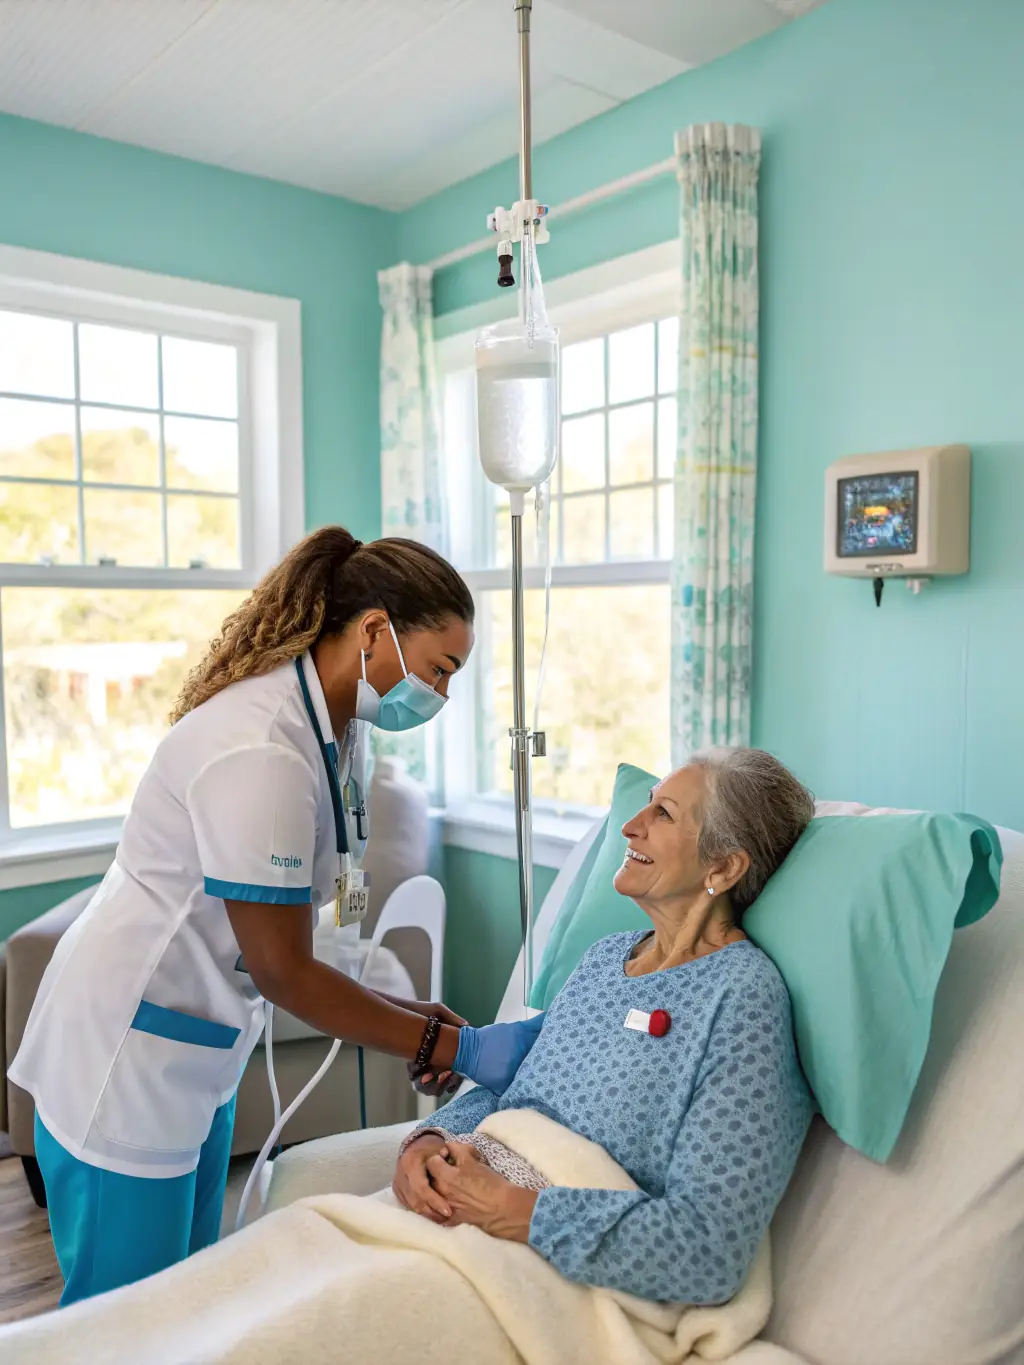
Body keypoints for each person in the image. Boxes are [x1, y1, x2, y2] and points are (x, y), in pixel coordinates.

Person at [9, 526, 537, 1306]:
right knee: (120, 1327)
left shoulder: (330, 727)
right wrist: (450, 1042)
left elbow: (295, 933)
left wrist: (414, 1011)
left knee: (183, 1309)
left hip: (193, 1053)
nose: (443, 694)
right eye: (439, 669)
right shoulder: (263, 749)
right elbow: (283, 969)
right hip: (122, 1060)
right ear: (371, 632)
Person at [393, 748, 817, 1305]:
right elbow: (516, 1098)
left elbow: (709, 1250)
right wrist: (427, 1141)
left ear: (723, 868)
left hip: (549, 1261)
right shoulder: (604, 960)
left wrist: (511, 1210)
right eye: (645, 806)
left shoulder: (740, 999)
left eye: (663, 814)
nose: (630, 827)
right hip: (465, 1205)